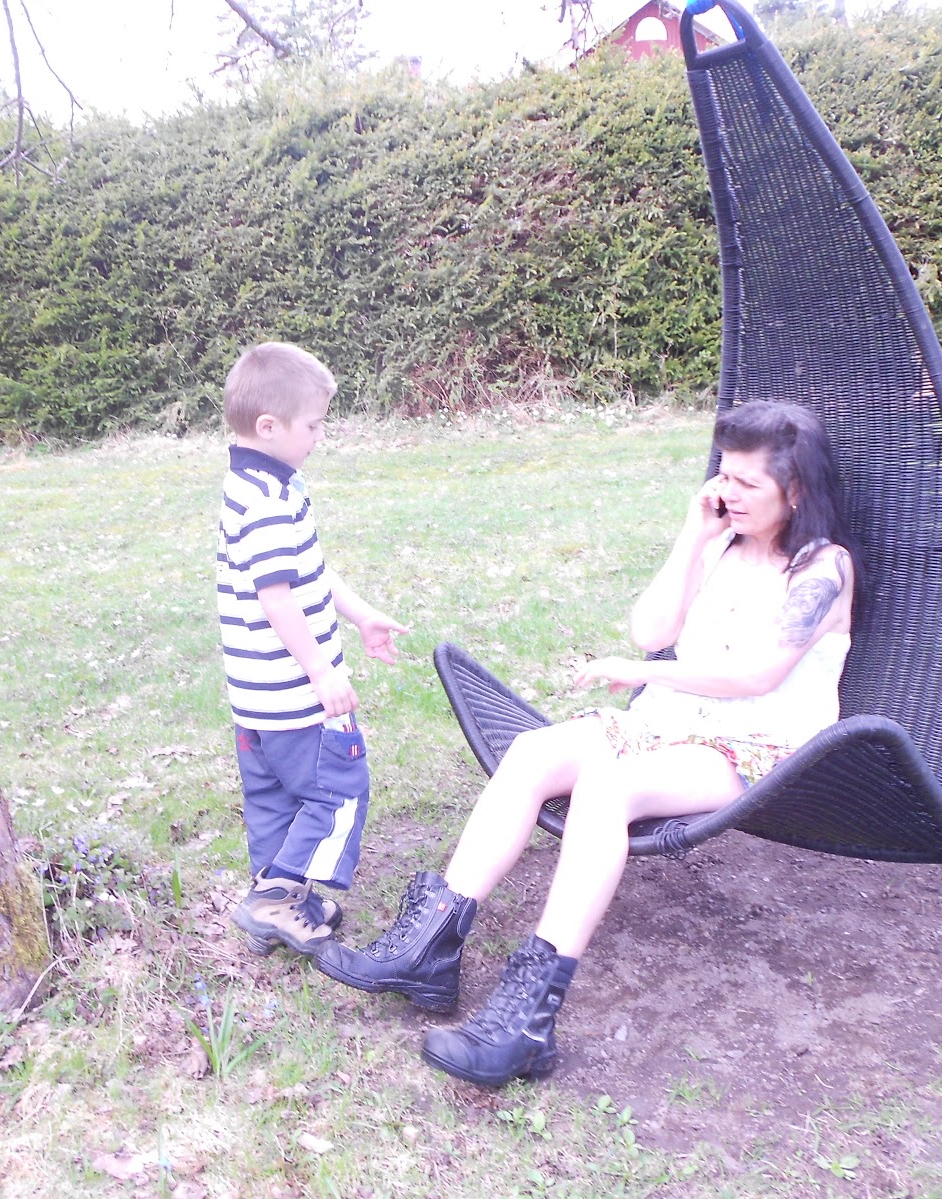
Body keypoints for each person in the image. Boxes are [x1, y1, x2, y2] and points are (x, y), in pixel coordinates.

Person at [316, 400, 856, 1087]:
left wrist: (647, 673)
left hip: (755, 746)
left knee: (609, 786)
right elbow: (650, 630)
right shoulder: (723, 545)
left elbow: (758, 676)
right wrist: (693, 535)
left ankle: (526, 1023)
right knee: (532, 753)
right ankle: (428, 949)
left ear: (797, 488)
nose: (728, 491)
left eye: (748, 482)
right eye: (723, 474)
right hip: (669, 721)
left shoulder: (822, 569)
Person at [217, 342, 410, 958]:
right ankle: (274, 901)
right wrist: (322, 672)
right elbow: (277, 599)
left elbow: (310, 572)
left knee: (273, 798)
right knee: (339, 788)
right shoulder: (269, 503)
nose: (320, 437)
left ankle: (276, 902)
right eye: (314, 425)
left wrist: (362, 615)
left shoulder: (254, 484)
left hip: (255, 699)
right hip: (293, 694)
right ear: (268, 426)